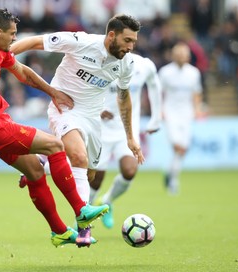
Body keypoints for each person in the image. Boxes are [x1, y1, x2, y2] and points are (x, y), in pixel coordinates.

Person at [0, 9, 108, 248]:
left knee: (35, 172)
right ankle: (81, 210)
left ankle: (59, 231)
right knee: (55, 145)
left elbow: (23, 73)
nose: (15, 39)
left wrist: (52, 92)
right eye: (12, 34)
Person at [11, 14, 145, 246]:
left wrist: (130, 138)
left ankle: (42, 160)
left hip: (93, 119)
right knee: (79, 157)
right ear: (111, 35)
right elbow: (35, 41)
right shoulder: (80, 41)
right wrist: (4, 55)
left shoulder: (127, 63)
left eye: (133, 41)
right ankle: (84, 227)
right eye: (127, 40)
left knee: (89, 175)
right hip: (65, 108)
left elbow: (124, 98)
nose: (130, 47)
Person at [89, 53, 162, 228]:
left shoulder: (144, 65)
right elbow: (85, 90)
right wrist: (97, 109)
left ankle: (107, 201)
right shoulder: (99, 62)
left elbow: (154, 85)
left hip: (127, 130)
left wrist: (156, 118)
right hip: (101, 130)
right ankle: (85, 216)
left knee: (130, 171)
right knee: (96, 178)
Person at [158, 42, 204, 195]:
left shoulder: (194, 73)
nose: (182, 58)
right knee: (177, 146)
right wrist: (160, 110)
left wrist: (197, 110)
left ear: (188, 57)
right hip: (170, 113)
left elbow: (196, 93)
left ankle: (170, 174)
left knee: (182, 149)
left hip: (187, 114)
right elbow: (157, 92)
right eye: (179, 55)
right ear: (173, 56)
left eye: (184, 55)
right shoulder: (165, 72)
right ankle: (174, 181)